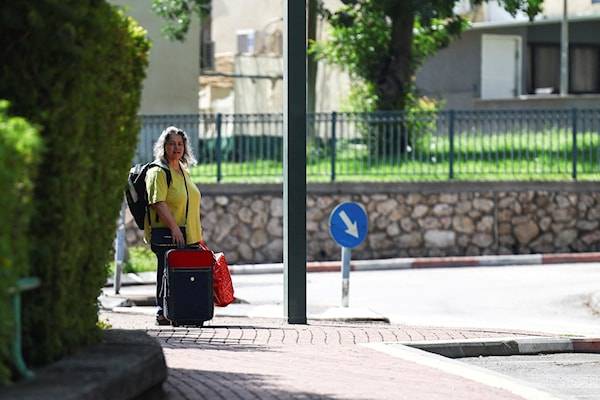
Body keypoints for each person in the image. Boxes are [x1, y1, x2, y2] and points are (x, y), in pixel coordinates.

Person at [145, 126, 205, 325]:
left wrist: (197, 233)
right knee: (166, 273)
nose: (176, 147)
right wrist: (174, 228)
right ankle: (162, 312)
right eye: (171, 143)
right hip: (168, 233)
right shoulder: (158, 172)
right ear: (164, 147)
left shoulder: (182, 171)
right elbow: (157, 202)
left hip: (189, 233)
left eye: (180, 144)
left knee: (184, 276)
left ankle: (181, 311)